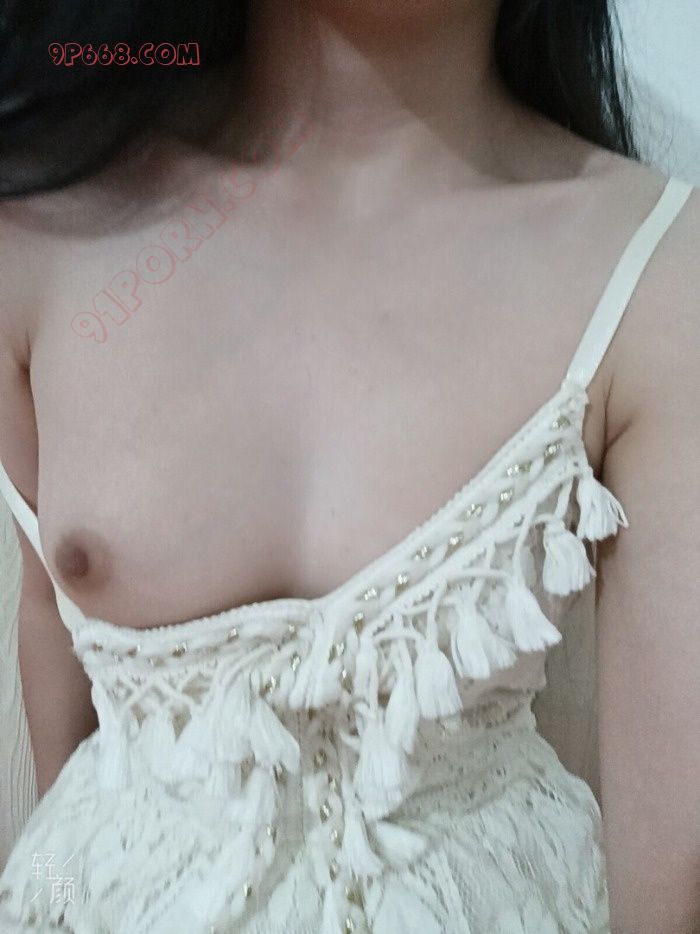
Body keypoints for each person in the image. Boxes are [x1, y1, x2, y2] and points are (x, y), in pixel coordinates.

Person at [0, 1, 698, 931]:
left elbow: (669, 885)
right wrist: (53, 900)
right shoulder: (38, 219)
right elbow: (53, 655)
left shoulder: (659, 270)